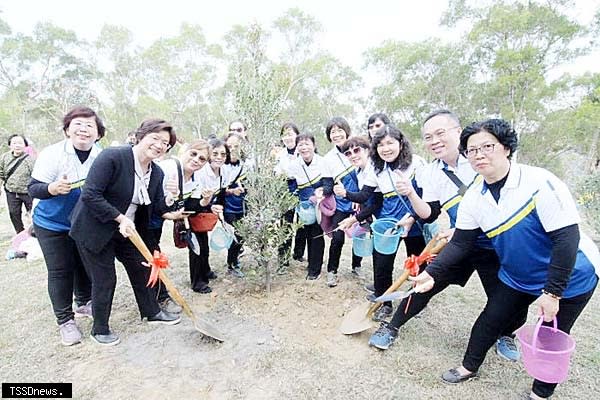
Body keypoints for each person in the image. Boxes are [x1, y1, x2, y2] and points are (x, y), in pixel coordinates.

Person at [412, 119, 599, 399]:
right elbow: (462, 243)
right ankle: (468, 366)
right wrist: (433, 273)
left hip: (572, 275)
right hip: (519, 274)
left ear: (506, 148)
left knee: (549, 334)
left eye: (487, 146)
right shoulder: (474, 197)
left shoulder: (540, 183)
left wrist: (552, 293)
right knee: (492, 318)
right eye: (471, 150)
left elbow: (566, 239)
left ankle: (540, 393)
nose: (479, 154)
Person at [367, 110, 525, 362]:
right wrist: (410, 195)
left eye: (441, 133)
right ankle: (392, 326)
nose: (434, 141)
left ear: (458, 131)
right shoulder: (431, 172)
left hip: (496, 246)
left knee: (507, 297)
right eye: (428, 137)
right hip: (459, 244)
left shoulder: (480, 160)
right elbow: (429, 213)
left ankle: (507, 334)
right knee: (424, 282)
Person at [69, 119, 182, 346]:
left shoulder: (156, 172)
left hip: (127, 230)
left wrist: (170, 197)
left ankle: (151, 311)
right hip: (95, 228)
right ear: (141, 136)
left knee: (142, 268)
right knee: (105, 278)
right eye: (156, 138)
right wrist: (119, 218)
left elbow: (155, 208)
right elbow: (90, 194)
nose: (160, 145)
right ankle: (99, 329)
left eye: (166, 143)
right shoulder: (113, 157)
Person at [28, 106, 101, 346]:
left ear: (97, 133)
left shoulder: (99, 155)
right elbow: (33, 188)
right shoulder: (52, 154)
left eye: (90, 125)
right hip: (50, 222)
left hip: (80, 221)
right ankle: (65, 321)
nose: (83, 129)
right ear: (67, 129)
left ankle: (84, 302)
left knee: (83, 262)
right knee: (60, 270)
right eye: (77, 124)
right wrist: (51, 189)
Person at [338, 124, 428, 321]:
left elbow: (427, 197)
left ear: (401, 143)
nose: (386, 148)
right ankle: (384, 303)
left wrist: (413, 217)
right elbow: (364, 196)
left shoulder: (417, 163)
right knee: (381, 267)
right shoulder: (377, 170)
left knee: (418, 265)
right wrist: (346, 197)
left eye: (390, 143)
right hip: (387, 225)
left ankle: (416, 301)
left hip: (414, 223)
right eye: (380, 145)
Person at [160, 139, 217, 293]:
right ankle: (159, 294)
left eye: (202, 159)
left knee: (200, 242)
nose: (196, 160)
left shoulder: (196, 178)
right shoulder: (167, 168)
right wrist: (171, 208)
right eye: (193, 154)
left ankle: (200, 279)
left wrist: (206, 200)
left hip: (175, 213)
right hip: (152, 216)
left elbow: (194, 206)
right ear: (184, 152)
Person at [320, 117, 362, 287]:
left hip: (359, 200)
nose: (336, 134)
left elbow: (367, 177)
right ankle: (332, 271)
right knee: (337, 238)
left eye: (339, 130)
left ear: (347, 130)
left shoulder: (357, 149)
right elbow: (328, 184)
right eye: (332, 132)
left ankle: (356, 265)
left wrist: (359, 199)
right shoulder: (327, 159)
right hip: (341, 204)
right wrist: (321, 192)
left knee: (360, 234)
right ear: (329, 136)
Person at [195, 138, 236, 281]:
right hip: (195, 208)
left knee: (205, 246)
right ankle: (198, 281)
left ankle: (206, 270)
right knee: (198, 246)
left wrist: (220, 212)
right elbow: (196, 197)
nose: (219, 157)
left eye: (223, 154)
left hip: (208, 209)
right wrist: (209, 206)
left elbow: (222, 193)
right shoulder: (201, 172)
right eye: (215, 153)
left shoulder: (224, 171)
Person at [286, 133, 326, 280]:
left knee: (317, 236)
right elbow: (290, 184)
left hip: (320, 204)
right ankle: (308, 261)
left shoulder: (323, 162)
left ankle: (314, 270)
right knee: (305, 233)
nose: (304, 147)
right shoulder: (294, 165)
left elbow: (329, 183)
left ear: (314, 146)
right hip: (303, 207)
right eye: (300, 144)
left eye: (307, 143)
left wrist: (321, 193)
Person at [276, 123, 308, 268]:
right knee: (286, 223)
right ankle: (283, 257)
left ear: (297, 135)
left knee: (302, 221)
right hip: (285, 187)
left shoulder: (303, 150)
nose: (288, 137)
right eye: (285, 134)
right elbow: (277, 172)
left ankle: (298, 253)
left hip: (302, 187)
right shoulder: (279, 154)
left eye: (291, 133)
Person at [222, 132, 250, 276]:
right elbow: (218, 190)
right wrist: (232, 191)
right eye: (229, 146)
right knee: (236, 234)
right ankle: (231, 264)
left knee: (242, 235)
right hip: (228, 208)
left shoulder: (246, 165)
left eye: (236, 146)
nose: (233, 149)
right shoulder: (222, 167)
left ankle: (234, 260)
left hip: (244, 207)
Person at [1, 134, 34, 233]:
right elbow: (1, 173)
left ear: (25, 145)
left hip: (27, 192)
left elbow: (35, 175)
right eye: (14, 143)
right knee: (13, 213)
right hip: (11, 191)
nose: (17, 145)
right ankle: (19, 233)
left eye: (20, 143)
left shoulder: (30, 159)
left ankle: (34, 232)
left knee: (32, 213)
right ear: (10, 145)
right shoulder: (4, 157)